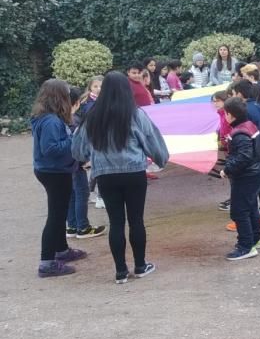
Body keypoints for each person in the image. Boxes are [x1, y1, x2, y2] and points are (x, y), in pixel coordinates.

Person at [72, 72, 169, 284]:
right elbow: (152, 140)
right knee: (136, 220)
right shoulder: (135, 114)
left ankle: (120, 271)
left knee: (116, 222)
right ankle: (141, 265)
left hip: (105, 175)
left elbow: (78, 150)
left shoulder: (92, 116)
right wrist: (162, 159)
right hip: (133, 172)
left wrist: (88, 158)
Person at [32, 79, 87, 278]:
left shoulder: (48, 117)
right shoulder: (51, 121)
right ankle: (47, 262)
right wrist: (74, 138)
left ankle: (61, 250)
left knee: (59, 212)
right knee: (55, 216)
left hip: (53, 170)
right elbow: (51, 149)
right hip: (54, 171)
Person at [219, 97, 260, 261]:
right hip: (255, 173)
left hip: (246, 176)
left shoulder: (239, 132)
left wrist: (227, 169)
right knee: (251, 207)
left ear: (230, 115)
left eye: (225, 113)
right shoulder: (249, 126)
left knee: (239, 211)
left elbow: (243, 157)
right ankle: (255, 239)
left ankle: (245, 246)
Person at [228, 80, 260, 229]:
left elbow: (245, 133)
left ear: (240, 93)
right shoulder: (257, 105)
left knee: (249, 184)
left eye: (234, 93)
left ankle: (246, 219)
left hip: (256, 146)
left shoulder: (245, 110)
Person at [66, 86, 105, 240]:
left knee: (71, 194)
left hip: (66, 167)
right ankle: (83, 227)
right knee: (81, 194)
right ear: (76, 103)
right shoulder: (73, 121)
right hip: (76, 165)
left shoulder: (60, 118)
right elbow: (76, 144)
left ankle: (72, 226)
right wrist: (84, 160)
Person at [212, 91, 232, 212]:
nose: (215, 104)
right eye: (214, 101)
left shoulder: (228, 115)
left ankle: (236, 201)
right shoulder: (221, 114)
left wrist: (224, 143)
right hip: (227, 149)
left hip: (231, 149)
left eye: (217, 101)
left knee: (235, 176)